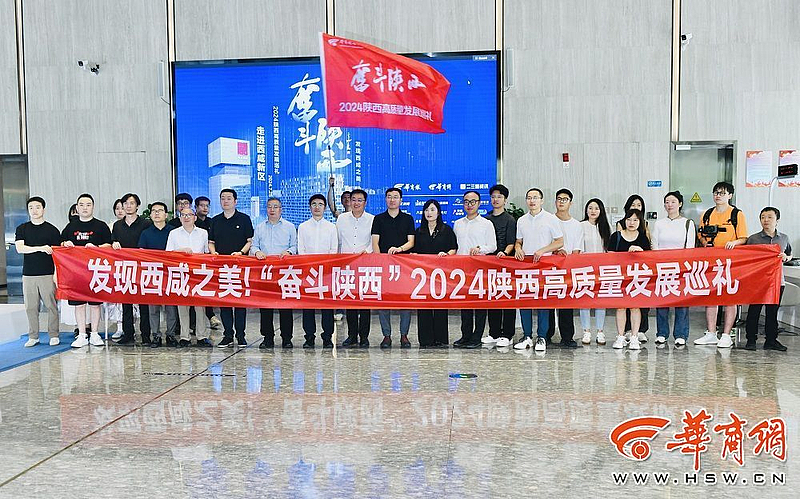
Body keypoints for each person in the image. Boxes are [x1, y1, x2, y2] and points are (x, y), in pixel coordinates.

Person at [694, 181, 748, 348]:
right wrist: (705, 243)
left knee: (730, 297)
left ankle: (726, 334)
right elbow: (701, 234)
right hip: (711, 261)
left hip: (731, 262)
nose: (718, 196)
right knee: (711, 296)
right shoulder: (707, 214)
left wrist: (734, 243)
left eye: (722, 193)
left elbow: (743, 238)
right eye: (716, 193)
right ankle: (711, 333)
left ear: (730, 195)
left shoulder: (737, 214)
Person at [513, 188, 564, 352]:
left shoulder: (551, 219)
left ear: (542, 200)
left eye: (535, 197)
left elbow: (559, 242)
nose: (532, 200)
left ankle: (542, 337)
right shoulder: (521, 220)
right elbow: (518, 241)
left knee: (544, 302)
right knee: (525, 301)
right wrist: (518, 248)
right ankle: (527, 336)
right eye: (529, 197)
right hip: (526, 266)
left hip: (545, 265)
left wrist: (543, 250)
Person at [61, 193, 113, 348]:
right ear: (77, 208)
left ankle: (95, 334)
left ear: (93, 207)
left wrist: (96, 248)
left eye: (88, 205)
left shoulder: (101, 226)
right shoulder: (71, 226)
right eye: (81, 205)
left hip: (95, 271)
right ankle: (82, 334)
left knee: (95, 304)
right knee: (79, 304)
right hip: (76, 272)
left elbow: (109, 245)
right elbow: (60, 243)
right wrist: (65, 244)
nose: (85, 208)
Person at [371, 187, 415, 348]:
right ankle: (386, 336)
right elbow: (375, 242)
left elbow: (411, 242)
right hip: (384, 266)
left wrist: (399, 249)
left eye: (395, 197)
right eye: (389, 197)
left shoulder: (408, 219)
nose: (392, 200)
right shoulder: (378, 219)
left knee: (405, 302)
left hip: (404, 266)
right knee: (384, 301)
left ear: (401, 200)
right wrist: (380, 260)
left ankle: (404, 335)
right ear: (385, 199)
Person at [209, 188, 254, 347]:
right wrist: (214, 253)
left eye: (229, 198)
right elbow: (211, 242)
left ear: (235, 201)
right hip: (221, 268)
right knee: (225, 302)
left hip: (240, 267)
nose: (225, 201)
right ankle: (228, 335)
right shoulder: (215, 221)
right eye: (223, 198)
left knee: (240, 303)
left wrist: (241, 253)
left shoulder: (244, 219)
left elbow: (250, 241)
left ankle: (241, 335)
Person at [744, 207, 792, 352]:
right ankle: (751, 340)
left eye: (770, 217)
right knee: (754, 311)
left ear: (777, 220)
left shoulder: (784, 238)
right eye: (763, 217)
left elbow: (789, 254)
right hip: (758, 281)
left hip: (777, 281)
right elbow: (745, 258)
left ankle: (771, 340)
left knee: (772, 312)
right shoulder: (753, 239)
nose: (766, 220)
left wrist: (786, 257)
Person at [651, 191, 696, 347]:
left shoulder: (687, 223)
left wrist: (683, 265)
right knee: (662, 300)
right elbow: (655, 244)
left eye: (673, 202)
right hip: (662, 267)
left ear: (680, 204)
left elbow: (690, 247)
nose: (669, 205)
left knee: (681, 301)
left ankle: (681, 334)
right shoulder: (659, 223)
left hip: (681, 268)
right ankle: (662, 333)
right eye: (667, 202)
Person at [15, 196, 62, 347]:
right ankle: (33, 336)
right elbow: (20, 248)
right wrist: (40, 248)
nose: (34, 210)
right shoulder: (22, 228)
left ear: (43, 209)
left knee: (51, 306)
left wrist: (56, 274)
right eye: (31, 208)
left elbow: (57, 255)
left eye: (37, 207)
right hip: (28, 274)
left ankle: (53, 334)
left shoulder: (52, 230)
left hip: (47, 273)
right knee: (31, 307)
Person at [251, 197, 297, 349]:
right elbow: (253, 246)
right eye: (269, 206)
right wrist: (257, 252)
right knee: (265, 307)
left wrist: (289, 252)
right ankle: (267, 338)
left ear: (281, 209)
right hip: (265, 273)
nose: (272, 209)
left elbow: (295, 246)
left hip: (284, 272)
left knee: (285, 307)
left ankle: (287, 338)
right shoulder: (259, 227)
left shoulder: (289, 227)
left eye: (275, 207)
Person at [453, 190, 496, 349]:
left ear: (479, 203)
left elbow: (493, 246)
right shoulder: (458, 223)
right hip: (462, 269)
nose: (469, 205)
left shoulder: (486, 224)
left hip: (479, 269)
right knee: (465, 304)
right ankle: (465, 335)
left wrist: (480, 249)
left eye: (473, 202)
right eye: (466, 201)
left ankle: (477, 337)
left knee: (479, 304)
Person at [166, 207, 213, 348]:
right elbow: (168, 253)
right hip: (181, 273)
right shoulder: (174, 233)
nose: (186, 217)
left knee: (200, 307)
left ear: (195, 217)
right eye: (183, 215)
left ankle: (201, 336)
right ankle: (184, 337)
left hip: (198, 274)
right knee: (183, 306)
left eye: (189, 215)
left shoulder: (203, 233)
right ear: (180, 218)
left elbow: (207, 253)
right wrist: (181, 251)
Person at [414, 199, 457, 348]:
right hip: (424, 275)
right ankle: (425, 340)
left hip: (441, 274)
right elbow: (414, 251)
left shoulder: (446, 230)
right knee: (424, 307)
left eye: (432, 210)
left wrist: (447, 254)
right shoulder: (419, 231)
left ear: (438, 212)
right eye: (426, 210)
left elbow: (454, 248)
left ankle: (440, 339)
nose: (429, 213)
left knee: (440, 306)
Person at [111, 193, 152, 345]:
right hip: (124, 267)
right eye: (126, 203)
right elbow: (112, 242)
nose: (128, 206)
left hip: (142, 267)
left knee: (144, 302)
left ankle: (146, 335)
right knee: (126, 302)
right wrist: (114, 243)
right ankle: (128, 333)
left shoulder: (145, 224)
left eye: (132, 203)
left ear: (137, 206)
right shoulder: (117, 225)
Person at [298, 194, 338, 348]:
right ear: (310, 207)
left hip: (326, 272)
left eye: (320, 204)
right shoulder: (303, 227)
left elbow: (333, 250)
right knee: (308, 306)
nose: (317, 207)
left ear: (325, 208)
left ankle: (327, 337)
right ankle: (309, 337)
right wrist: (309, 265)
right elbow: (301, 249)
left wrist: (325, 266)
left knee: (327, 307)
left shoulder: (331, 227)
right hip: (308, 272)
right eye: (314, 204)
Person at [336, 188, 374, 348]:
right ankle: (352, 335)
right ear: (349, 201)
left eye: (360, 200)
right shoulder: (342, 219)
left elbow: (374, 241)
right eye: (353, 200)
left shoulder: (372, 219)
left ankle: (364, 336)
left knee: (365, 303)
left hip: (365, 265)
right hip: (347, 266)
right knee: (350, 299)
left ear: (365, 203)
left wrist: (368, 251)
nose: (356, 203)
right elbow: (338, 241)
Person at [608, 209, 651, 350]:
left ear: (640, 222)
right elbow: (609, 257)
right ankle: (620, 336)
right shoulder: (616, 236)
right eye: (629, 219)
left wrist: (640, 252)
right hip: (620, 277)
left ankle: (634, 337)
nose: (631, 223)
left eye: (635, 220)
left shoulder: (643, 238)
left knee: (635, 307)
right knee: (621, 307)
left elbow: (649, 259)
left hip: (637, 278)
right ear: (624, 220)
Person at [546, 188, 583, 348]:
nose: (561, 202)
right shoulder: (548, 220)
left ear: (571, 203)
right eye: (559, 199)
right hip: (549, 268)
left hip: (568, 268)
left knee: (566, 304)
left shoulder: (576, 225)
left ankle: (567, 337)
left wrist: (567, 258)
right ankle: (546, 335)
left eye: (565, 199)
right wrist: (554, 251)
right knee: (548, 304)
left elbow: (577, 250)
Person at [138, 202, 178, 348]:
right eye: (154, 211)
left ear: (166, 215)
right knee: (153, 308)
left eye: (160, 210)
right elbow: (141, 253)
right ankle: (156, 335)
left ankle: (171, 334)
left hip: (169, 273)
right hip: (152, 274)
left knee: (171, 307)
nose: (156, 213)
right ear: (150, 215)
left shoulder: (173, 232)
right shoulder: (146, 233)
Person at [482, 184, 517, 348]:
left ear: (505, 200)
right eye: (493, 196)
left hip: (506, 263)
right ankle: (494, 332)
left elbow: (511, 242)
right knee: (492, 298)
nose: (496, 199)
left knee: (507, 298)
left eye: (499, 197)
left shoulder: (510, 219)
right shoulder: (485, 219)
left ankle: (508, 334)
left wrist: (504, 252)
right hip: (489, 264)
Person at [579, 198, 611, 345]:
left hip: (601, 270)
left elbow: (608, 250)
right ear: (586, 210)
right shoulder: (581, 226)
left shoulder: (605, 227)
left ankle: (600, 331)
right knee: (584, 300)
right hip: (584, 269)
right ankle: (586, 331)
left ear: (601, 211)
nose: (593, 211)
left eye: (596, 208)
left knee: (600, 301)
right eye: (590, 208)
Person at [190, 195, 222, 330]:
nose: (205, 208)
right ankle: (195, 324)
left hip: (208, 262)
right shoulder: (192, 223)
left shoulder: (212, 222)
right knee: (193, 292)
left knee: (206, 290)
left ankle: (210, 316)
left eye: (207, 206)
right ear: (196, 207)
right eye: (202, 205)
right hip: (193, 263)